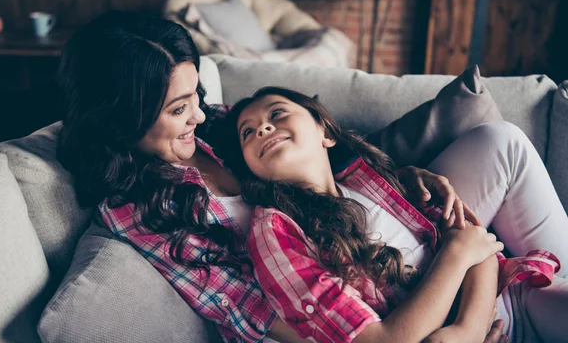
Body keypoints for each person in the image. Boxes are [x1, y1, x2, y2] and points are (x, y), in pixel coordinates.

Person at [56, 11, 516, 343]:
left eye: (195, 93)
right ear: (121, 122)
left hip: (392, 246)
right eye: (178, 109)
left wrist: (404, 175)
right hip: (360, 312)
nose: (199, 113)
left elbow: (322, 148)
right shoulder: (140, 212)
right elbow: (253, 309)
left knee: (499, 143)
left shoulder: (217, 125)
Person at [221, 86, 568, 343]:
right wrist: (456, 255)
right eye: (247, 132)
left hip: (501, 299)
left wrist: (468, 327)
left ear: (324, 132)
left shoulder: (366, 179)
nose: (263, 129)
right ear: (253, 168)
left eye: (277, 114)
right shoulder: (275, 230)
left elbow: (476, 242)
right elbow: (378, 341)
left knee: (502, 137)